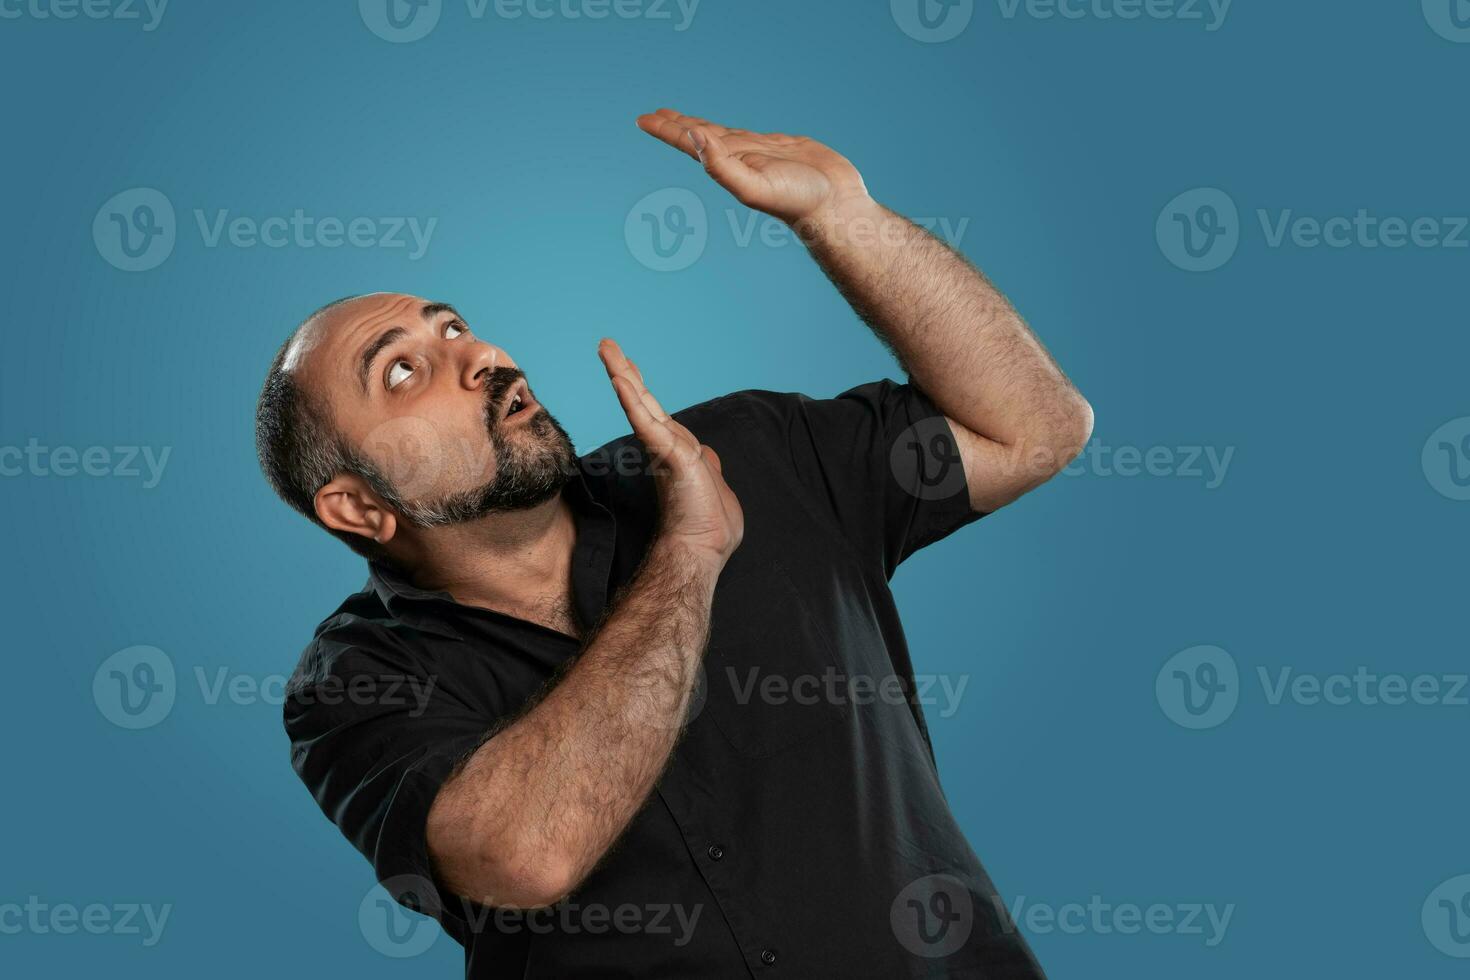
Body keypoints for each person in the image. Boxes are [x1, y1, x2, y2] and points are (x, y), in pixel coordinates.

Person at [256, 108, 1092, 978]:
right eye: (401, 370)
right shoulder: (351, 686)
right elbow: (523, 855)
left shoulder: (749, 453)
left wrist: (843, 217)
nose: (482, 356)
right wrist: (690, 553)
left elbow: (1036, 430)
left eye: (455, 326)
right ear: (357, 509)